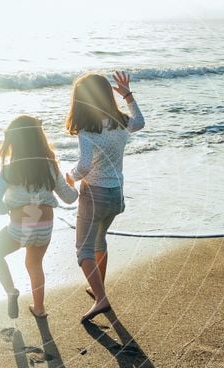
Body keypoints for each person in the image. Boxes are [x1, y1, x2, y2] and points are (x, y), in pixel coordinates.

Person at [65, 71, 145, 323]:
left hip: (93, 195)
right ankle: (99, 289)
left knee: (83, 250)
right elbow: (140, 122)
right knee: (100, 241)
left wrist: (70, 176)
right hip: (115, 195)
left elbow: (85, 166)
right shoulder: (121, 123)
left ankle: (101, 298)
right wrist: (128, 96)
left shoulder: (88, 130)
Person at [0, 115, 78, 319]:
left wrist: (4, 210)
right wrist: (72, 184)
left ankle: (11, 291)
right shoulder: (51, 166)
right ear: (39, 138)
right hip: (45, 224)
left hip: (21, 224)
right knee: (34, 263)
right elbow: (70, 198)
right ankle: (39, 308)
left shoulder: (10, 170)